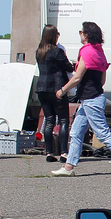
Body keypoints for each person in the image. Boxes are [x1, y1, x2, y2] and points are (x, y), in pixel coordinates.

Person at [51, 22, 111, 178]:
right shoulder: (99, 52)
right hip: (93, 98)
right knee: (77, 132)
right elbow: (102, 80)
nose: (80, 34)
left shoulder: (87, 52)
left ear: (86, 35)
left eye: (81, 32)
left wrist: (62, 90)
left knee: (102, 133)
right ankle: (69, 167)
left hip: (91, 99)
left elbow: (77, 77)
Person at [35, 25, 72, 162]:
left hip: (42, 88)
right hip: (57, 89)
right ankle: (63, 153)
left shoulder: (39, 51)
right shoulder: (57, 51)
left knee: (49, 119)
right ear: (53, 36)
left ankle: (49, 152)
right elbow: (68, 67)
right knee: (63, 120)